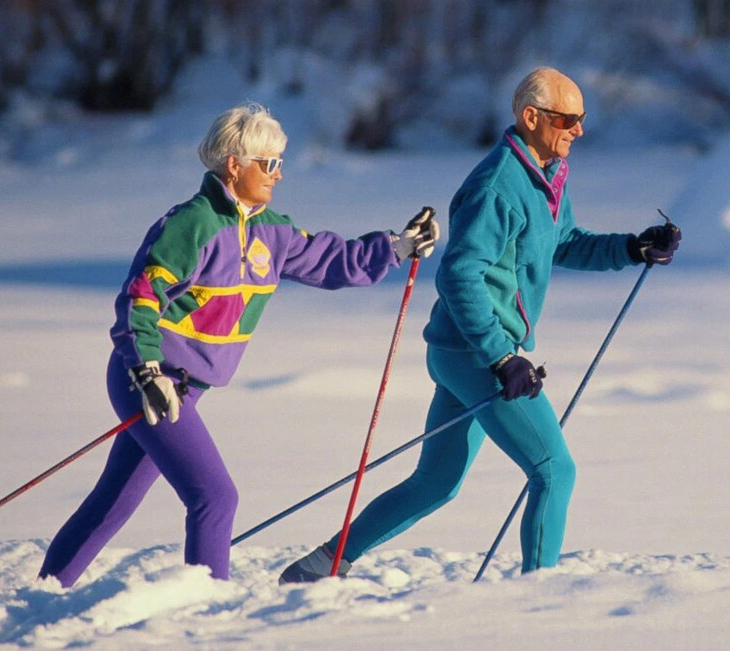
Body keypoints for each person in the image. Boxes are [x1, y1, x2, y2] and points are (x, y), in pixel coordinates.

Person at [280, 67, 680, 583]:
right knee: (554, 472)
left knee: (435, 483)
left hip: (462, 349)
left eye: (581, 120)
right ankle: (540, 598)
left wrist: (632, 247)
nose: (578, 130)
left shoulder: (546, 174)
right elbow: (458, 274)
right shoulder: (498, 186)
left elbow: (563, 241)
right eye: (567, 119)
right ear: (531, 117)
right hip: (477, 353)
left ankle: (319, 566)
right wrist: (502, 356)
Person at [38, 102, 440, 586]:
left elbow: (332, 260)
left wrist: (397, 246)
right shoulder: (191, 224)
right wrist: (147, 372)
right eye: (269, 164)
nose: (278, 175)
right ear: (235, 165)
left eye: (280, 164)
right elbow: (140, 300)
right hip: (148, 378)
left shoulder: (272, 231)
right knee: (215, 497)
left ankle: (46, 591)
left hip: (186, 387)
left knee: (115, 500)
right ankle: (206, 606)